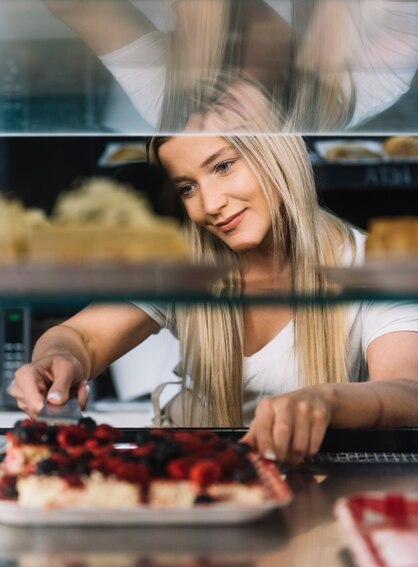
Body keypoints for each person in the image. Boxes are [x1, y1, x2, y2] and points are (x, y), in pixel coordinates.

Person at [9, 134, 418, 464]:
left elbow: (408, 389)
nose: (211, 205)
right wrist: (56, 362)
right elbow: (83, 338)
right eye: (188, 188)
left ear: (276, 151)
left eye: (223, 166)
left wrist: (325, 401)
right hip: (203, 496)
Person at [41, 0, 418, 132]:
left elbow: (75, 6)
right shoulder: (378, 63)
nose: (208, 124)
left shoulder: (177, 110)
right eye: (225, 164)